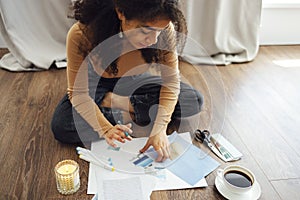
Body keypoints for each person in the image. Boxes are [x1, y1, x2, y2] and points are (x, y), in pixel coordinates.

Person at [51, 0, 203, 162]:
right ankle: (133, 112)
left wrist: (160, 129)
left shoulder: (164, 31)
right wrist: (105, 129)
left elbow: (171, 83)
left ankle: (114, 103)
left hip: (135, 81)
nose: (153, 40)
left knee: (193, 100)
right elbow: (78, 94)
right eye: (145, 31)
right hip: (96, 84)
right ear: (121, 13)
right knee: (62, 125)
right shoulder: (82, 34)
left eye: (160, 31)